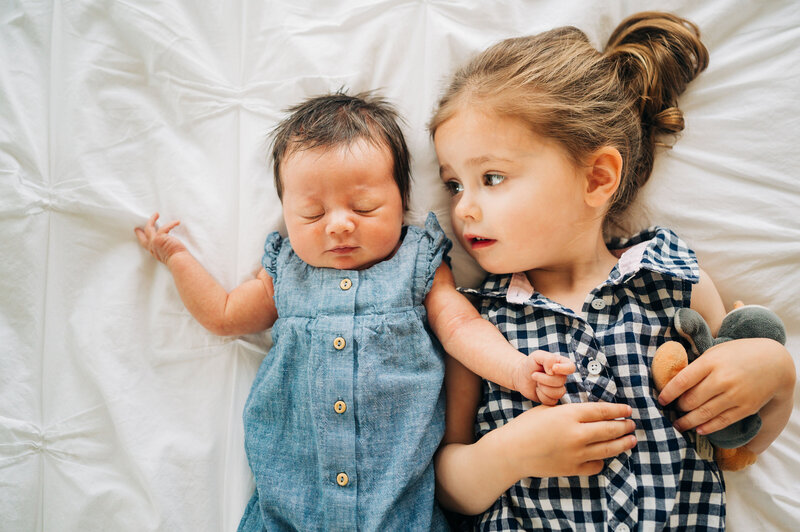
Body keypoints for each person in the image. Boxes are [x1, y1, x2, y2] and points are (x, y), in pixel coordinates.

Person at [134, 92, 603, 531]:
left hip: (401, 507)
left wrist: (518, 370)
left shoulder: (417, 262)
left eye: (364, 206)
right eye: (312, 214)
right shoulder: (283, 271)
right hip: (292, 504)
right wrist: (178, 258)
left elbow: (461, 326)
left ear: (402, 203)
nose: (338, 225)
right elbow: (222, 314)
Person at [429, 11, 796, 531]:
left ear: (597, 178)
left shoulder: (672, 282)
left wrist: (776, 376)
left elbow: (740, 442)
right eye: (453, 185)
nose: (464, 208)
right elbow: (446, 481)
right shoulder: (475, 324)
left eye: (491, 177)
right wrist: (507, 455)